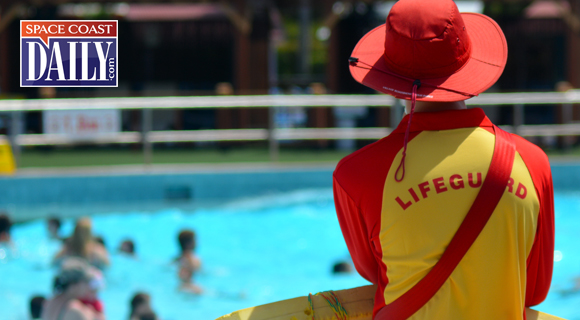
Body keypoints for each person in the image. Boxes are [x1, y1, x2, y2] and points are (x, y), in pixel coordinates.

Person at [334, 0, 555, 319]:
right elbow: (534, 291)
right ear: (469, 67)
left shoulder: (355, 174)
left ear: (392, 82)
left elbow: (374, 273)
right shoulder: (532, 162)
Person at [176, 229, 202, 294]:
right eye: (195, 240)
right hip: (191, 286)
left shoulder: (177, 259)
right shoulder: (193, 258)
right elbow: (197, 270)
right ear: (189, 243)